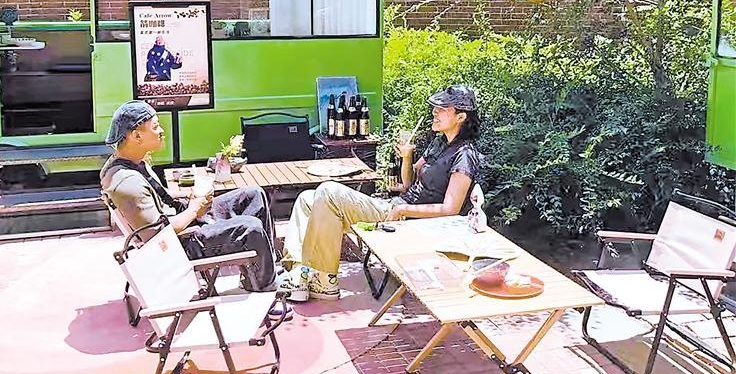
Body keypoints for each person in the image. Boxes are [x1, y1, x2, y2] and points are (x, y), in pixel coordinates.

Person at [280, 85, 485, 302]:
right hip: (398, 206)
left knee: (328, 191)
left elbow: (450, 209)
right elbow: (408, 184)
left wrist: (403, 210)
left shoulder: (465, 155)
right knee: (307, 199)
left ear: (461, 116)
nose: (435, 111)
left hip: (410, 221)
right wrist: (407, 157)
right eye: (435, 107)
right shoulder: (439, 143)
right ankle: (299, 273)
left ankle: (324, 281)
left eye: (443, 108)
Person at [100, 100, 278, 294]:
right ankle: (265, 285)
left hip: (182, 225)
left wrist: (191, 198)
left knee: (253, 196)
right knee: (250, 227)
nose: (161, 131)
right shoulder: (126, 182)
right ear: (136, 136)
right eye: (156, 126)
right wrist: (194, 209)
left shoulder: (132, 162)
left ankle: (268, 270)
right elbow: (156, 235)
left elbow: (158, 198)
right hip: (179, 246)